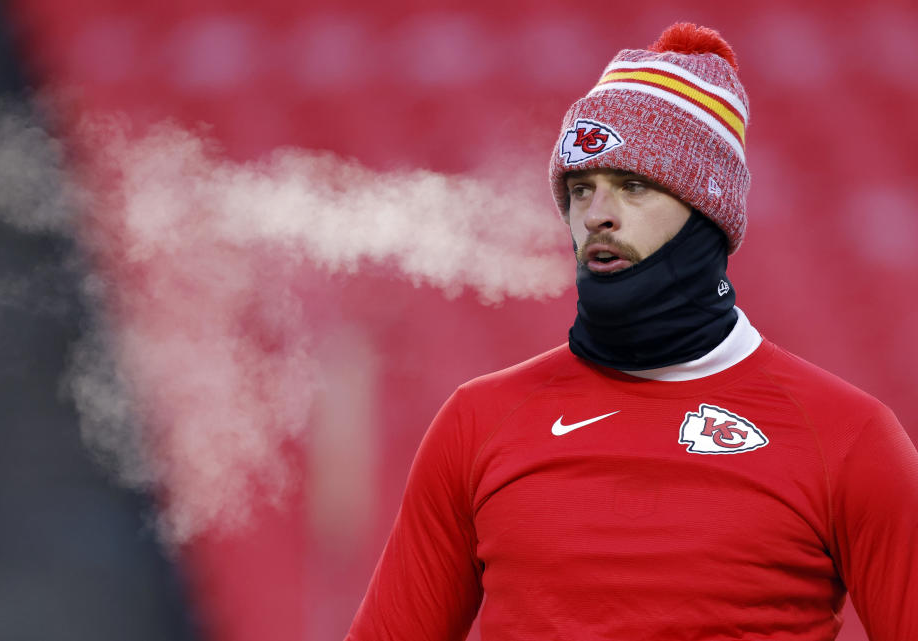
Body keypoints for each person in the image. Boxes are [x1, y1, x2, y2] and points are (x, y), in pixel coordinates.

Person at [345, 22, 918, 641]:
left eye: (634, 186)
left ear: (709, 207)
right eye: (580, 189)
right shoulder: (476, 423)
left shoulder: (849, 438)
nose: (597, 215)